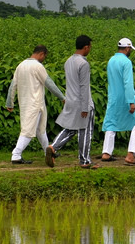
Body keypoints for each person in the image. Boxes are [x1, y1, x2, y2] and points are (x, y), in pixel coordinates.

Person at [5, 45, 65, 164]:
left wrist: (9, 102)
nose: (44, 59)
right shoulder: (38, 66)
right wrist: (62, 97)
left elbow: (13, 86)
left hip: (26, 103)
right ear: (42, 54)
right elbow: (49, 83)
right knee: (28, 131)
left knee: (40, 130)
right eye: (45, 56)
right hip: (35, 104)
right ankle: (16, 155)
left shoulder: (20, 65)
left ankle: (48, 151)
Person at [47, 35, 95, 169]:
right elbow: (84, 87)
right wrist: (85, 107)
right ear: (86, 47)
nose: (90, 49)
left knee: (70, 129)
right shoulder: (83, 64)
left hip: (70, 100)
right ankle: (84, 160)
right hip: (82, 103)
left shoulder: (68, 61)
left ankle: (53, 147)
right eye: (90, 47)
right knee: (85, 131)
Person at [101, 37, 135, 161]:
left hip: (113, 97)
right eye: (130, 49)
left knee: (111, 123)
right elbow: (128, 83)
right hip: (125, 98)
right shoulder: (126, 62)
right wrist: (131, 101)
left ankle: (106, 152)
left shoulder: (111, 60)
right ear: (127, 48)